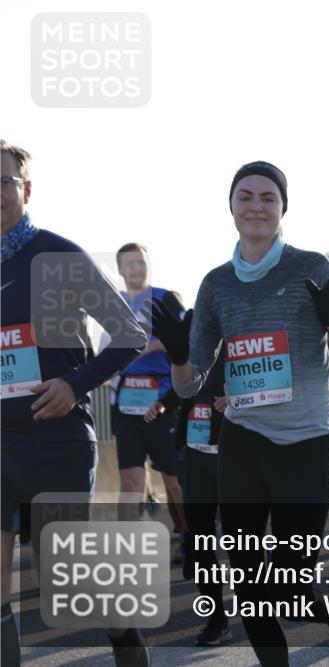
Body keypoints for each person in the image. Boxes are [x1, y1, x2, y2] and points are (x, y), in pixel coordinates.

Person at [153, 161, 329, 666]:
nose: (256, 206)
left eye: (268, 197)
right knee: (251, 582)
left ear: (283, 208)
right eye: (246, 196)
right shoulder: (215, 285)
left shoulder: (311, 267)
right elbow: (191, 385)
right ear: (231, 208)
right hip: (244, 441)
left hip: (306, 443)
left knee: (295, 575)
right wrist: (178, 355)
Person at [1, 140, 150, 666]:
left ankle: (129, 648)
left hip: (54, 443)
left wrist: (73, 384)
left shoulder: (57, 255)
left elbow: (130, 334)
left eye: (3, 182)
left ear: (26, 188)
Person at [144, 359, 231, 646]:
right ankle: (217, 619)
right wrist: (163, 403)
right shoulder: (197, 334)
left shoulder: (241, 327)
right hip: (195, 456)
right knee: (200, 541)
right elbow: (185, 386)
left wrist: (240, 398)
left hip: (236, 454)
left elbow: (272, 379)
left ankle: (260, 602)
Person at [112, 243, 188, 535]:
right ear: (120, 269)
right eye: (129, 264)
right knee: (130, 483)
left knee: (173, 481)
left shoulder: (165, 298)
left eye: (141, 262)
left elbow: (186, 339)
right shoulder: (111, 302)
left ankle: (187, 536)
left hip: (162, 402)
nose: (136, 268)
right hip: (126, 403)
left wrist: (149, 346)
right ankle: (128, 549)